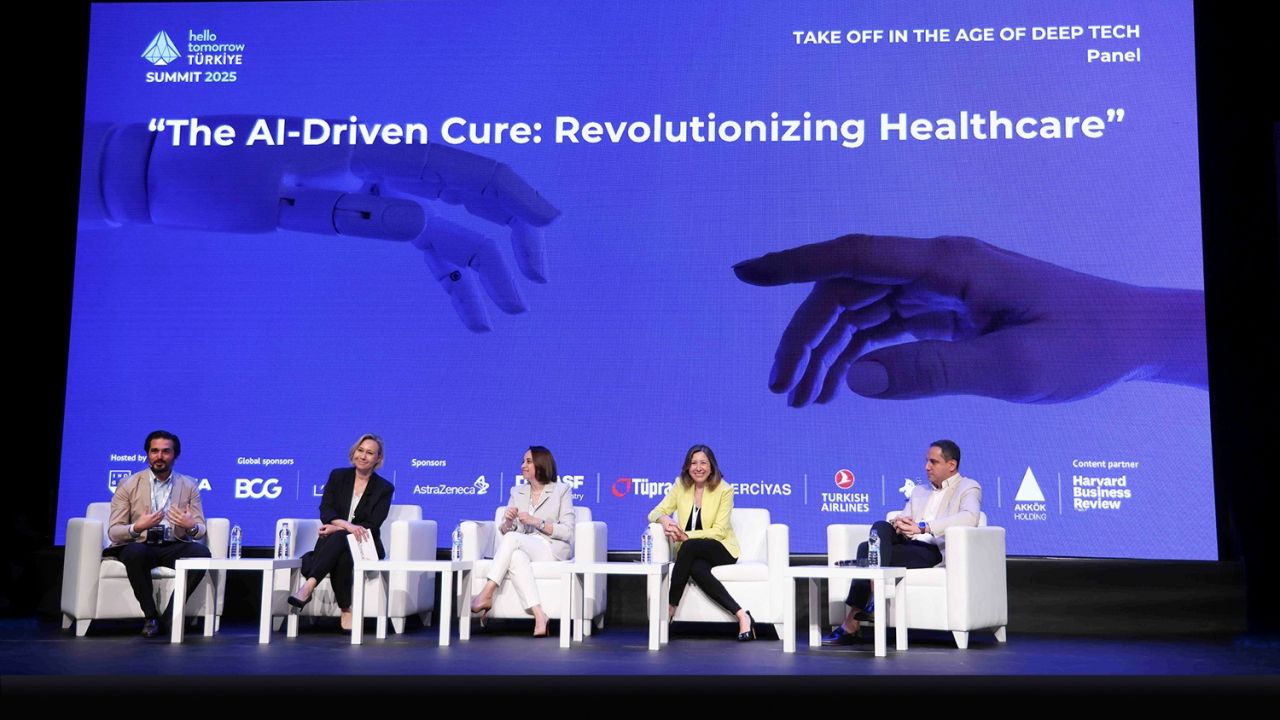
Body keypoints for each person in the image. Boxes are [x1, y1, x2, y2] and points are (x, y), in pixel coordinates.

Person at [823, 439, 981, 645]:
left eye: (933, 462)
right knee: (880, 527)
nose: (927, 467)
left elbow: (970, 518)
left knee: (865, 549)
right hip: (909, 543)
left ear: (951, 465)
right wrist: (899, 523)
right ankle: (876, 597)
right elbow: (907, 518)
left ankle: (851, 623)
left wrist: (924, 527)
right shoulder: (919, 491)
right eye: (926, 461)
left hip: (933, 550)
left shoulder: (968, 487)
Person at [104, 430, 212, 637]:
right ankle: (150, 617)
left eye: (165, 451)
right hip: (140, 544)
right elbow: (114, 532)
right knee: (135, 553)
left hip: (172, 544)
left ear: (175, 455)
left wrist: (190, 526)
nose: (159, 456)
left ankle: (171, 616)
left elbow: (200, 529)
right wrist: (137, 527)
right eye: (154, 451)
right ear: (147, 454)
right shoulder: (128, 484)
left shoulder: (188, 485)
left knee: (201, 554)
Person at [649, 444, 757, 641]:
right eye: (694, 463)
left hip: (721, 549)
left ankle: (670, 607)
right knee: (697, 568)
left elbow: (719, 531)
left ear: (711, 466)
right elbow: (655, 512)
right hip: (692, 552)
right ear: (687, 466)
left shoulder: (725, 490)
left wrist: (686, 536)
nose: (698, 468)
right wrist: (664, 519)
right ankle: (742, 615)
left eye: (703, 463)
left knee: (689, 546)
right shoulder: (680, 485)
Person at [287, 434, 394, 631]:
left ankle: (309, 585)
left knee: (339, 537)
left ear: (378, 459)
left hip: (366, 544)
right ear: (354, 452)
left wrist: (339, 527)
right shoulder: (338, 476)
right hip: (337, 543)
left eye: (370, 453)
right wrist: (346, 526)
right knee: (342, 554)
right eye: (360, 450)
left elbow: (372, 524)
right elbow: (326, 510)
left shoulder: (384, 488)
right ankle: (346, 609)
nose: (363, 456)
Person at [469, 446, 574, 637]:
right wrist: (508, 522)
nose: (522, 466)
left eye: (528, 461)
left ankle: (487, 592)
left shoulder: (561, 490)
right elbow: (506, 531)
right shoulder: (517, 492)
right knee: (516, 556)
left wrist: (537, 522)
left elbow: (567, 531)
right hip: (525, 545)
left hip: (550, 549)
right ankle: (540, 616)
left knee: (513, 541)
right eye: (523, 461)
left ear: (541, 464)